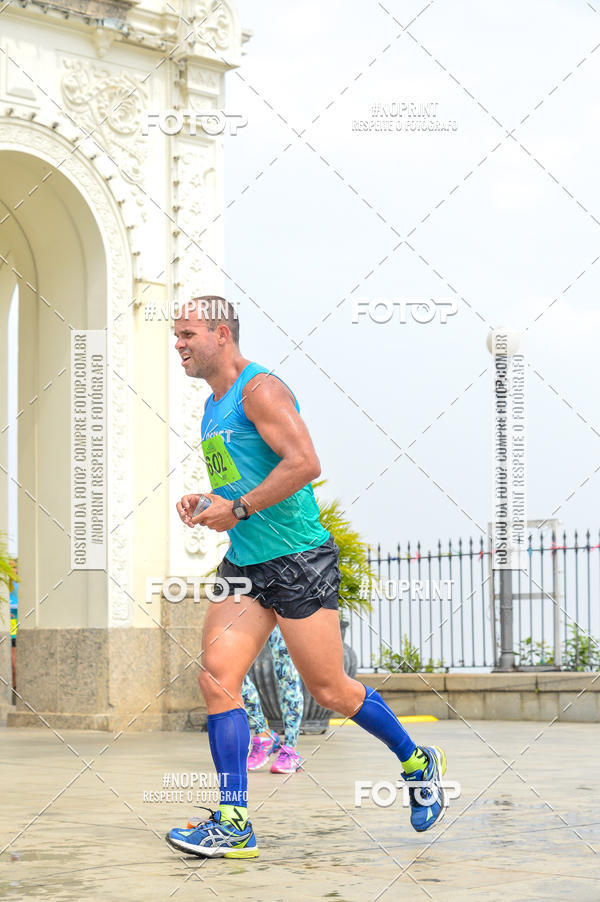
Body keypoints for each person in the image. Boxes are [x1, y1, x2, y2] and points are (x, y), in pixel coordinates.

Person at [166, 296, 448, 860]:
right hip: (246, 564)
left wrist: (239, 508)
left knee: (330, 689)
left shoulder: (260, 390)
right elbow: (243, 476)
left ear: (222, 334)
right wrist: (211, 500)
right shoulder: (212, 404)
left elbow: (305, 464)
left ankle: (417, 760)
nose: (178, 344)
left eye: (187, 334)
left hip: (297, 561)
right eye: (175, 334)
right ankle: (234, 823)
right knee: (217, 677)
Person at [243, 625, 304, 774]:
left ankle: (290, 751)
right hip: (246, 605)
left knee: (286, 670)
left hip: (284, 607)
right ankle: (264, 735)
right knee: (231, 670)